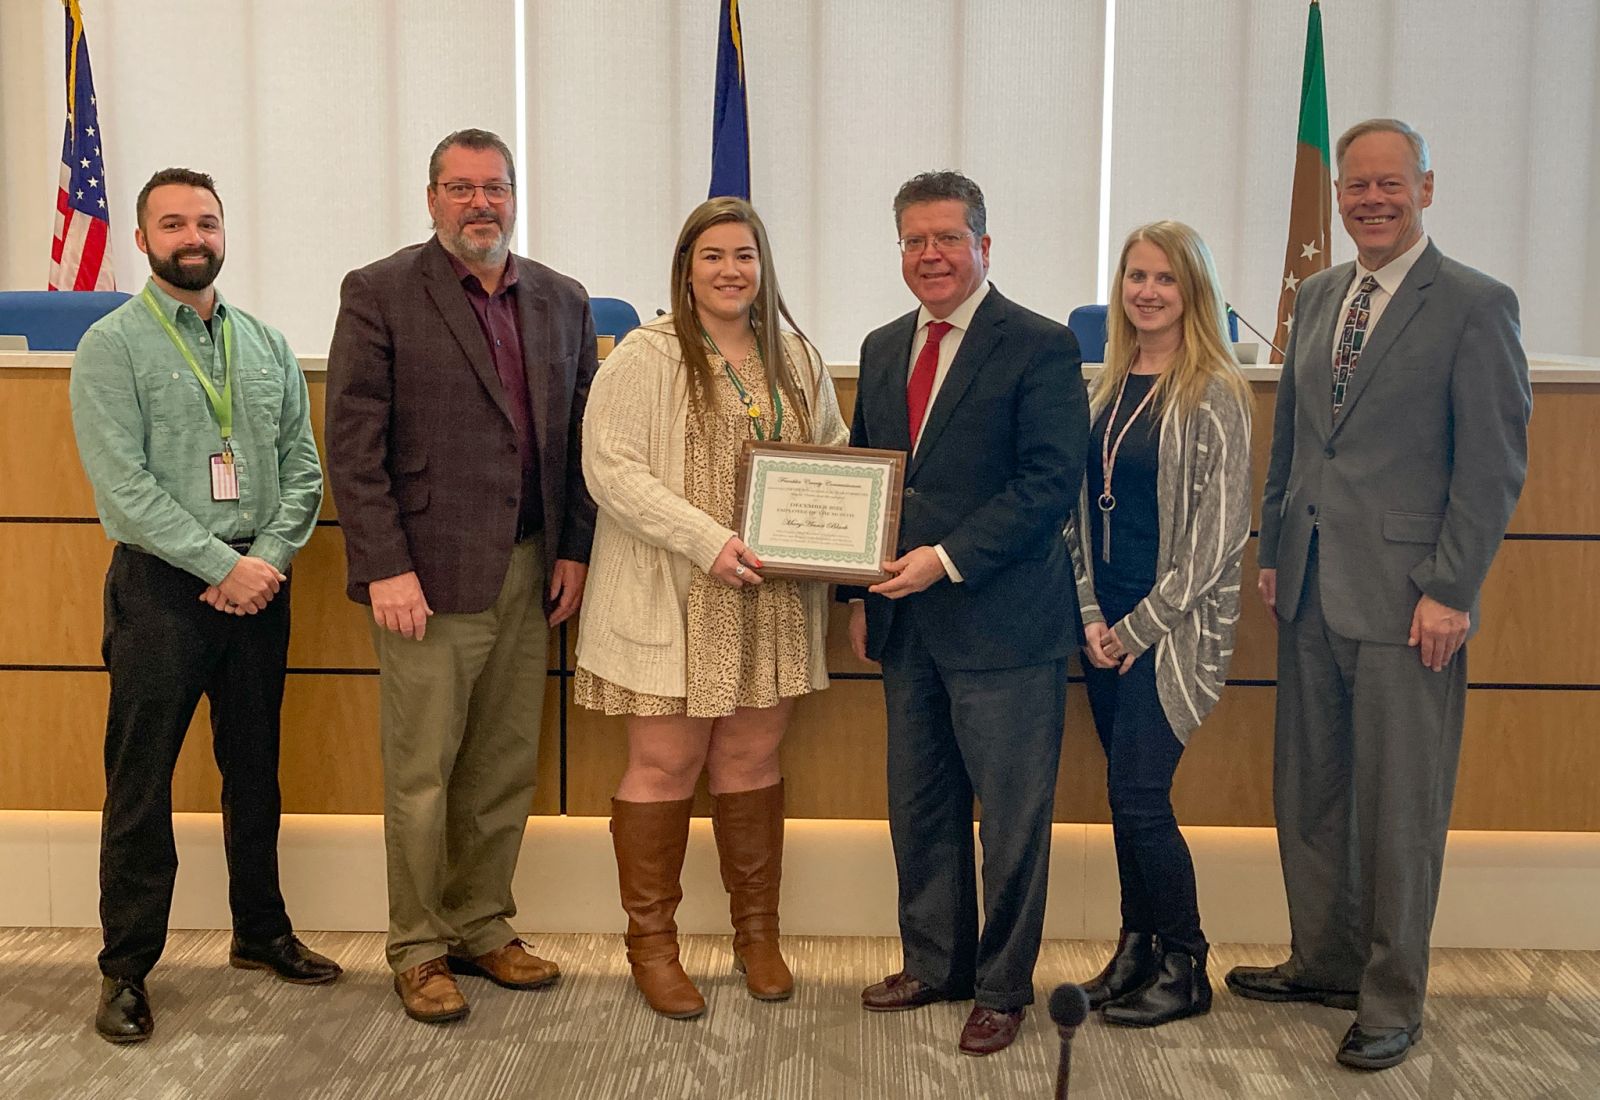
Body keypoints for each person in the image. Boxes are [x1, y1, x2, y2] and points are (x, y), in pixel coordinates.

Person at [1227, 118, 1532, 1071]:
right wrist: (1276, 549)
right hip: (1311, 589)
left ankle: (1392, 996)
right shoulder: (1320, 296)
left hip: (1411, 603)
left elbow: (1492, 466)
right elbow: (1295, 440)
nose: (1370, 199)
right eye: (1356, 186)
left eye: (1389, 184)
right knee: (1312, 794)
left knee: (1398, 811)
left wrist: (1450, 588)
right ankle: (1324, 960)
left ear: (1426, 189)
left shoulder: (1476, 305)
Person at [325, 128, 597, 1025]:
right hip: (428, 579)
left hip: (531, 568)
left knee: (503, 765)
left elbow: (576, 441)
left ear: (514, 196)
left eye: (496, 187)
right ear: (431, 198)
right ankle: (417, 946)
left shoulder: (562, 298)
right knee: (422, 772)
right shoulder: (380, 292)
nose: (480, 203)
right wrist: (386, 567)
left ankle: (483, 925)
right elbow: (354, 450)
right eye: (461, 188)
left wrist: (573, 548)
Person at [70, 167, 338, 1044]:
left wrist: (262, 561)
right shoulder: (112, 346)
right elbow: (124, 489)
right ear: (143, 240)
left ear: (226, 234)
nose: (194, 236)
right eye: (174, 223)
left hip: (260, 585)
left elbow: (303, 468)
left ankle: (260, 932)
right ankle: (124, 969)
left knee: (255, 771)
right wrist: (218, 563)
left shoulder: (264, 344)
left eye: (208, 222)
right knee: (140, 784)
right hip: (160, 588)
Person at [574, 197, 847, 1020]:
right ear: (685, 270)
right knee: (665, 766)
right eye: (714, 256)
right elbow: (610, 470)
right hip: (676, 596)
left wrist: (836, 529)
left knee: (751, 764)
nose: (732, 271)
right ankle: (652, 946)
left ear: (765, 268)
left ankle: (755, 935)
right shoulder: (644, 357)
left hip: (770, 601)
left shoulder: (794, 355)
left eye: (746, 256)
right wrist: (705, 540)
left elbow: (831, 455)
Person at [845, 171, 1088, 1056]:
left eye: (948, 238)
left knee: (1013, 818)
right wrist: (854, 593)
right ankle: (933, 961)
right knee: (921, 806)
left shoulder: (1039, 345)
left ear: (985, 244)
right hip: (905, 625)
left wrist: (944, 561)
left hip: (1004, 622)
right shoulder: (879, 348)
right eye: (915, 240)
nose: (932, 255)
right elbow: (870, 479)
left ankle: (1002, 985)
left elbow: (1048, 483)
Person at [1063, 221, 1252, 1028]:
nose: (1147, 291)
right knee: (1121, 794)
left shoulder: (1216, 390)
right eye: (1136, 276)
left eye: (1165, 279)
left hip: (1172, 633)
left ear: (1193, 292)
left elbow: (1218, 534)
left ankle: (1186, 962)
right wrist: (1093, 617)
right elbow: (1076, 512)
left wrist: (1139, 629)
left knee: (1141, 796)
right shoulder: (1102, 384)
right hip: (1104, 624)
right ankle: (1137, 948)